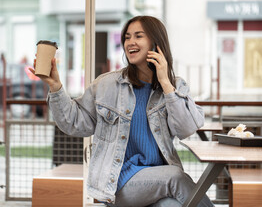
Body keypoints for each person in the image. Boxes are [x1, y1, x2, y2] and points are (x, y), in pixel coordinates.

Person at [31, 15, 214, 207]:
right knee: (176, 177)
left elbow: (187, 129)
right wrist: (55, 86)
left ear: (156, 43)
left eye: (138, 36)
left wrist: (166, 84)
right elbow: (74, 122)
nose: (130, 42)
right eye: (127, 37)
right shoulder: (107, 84)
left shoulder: (176, 86)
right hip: (119, 182)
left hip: (158, 181)